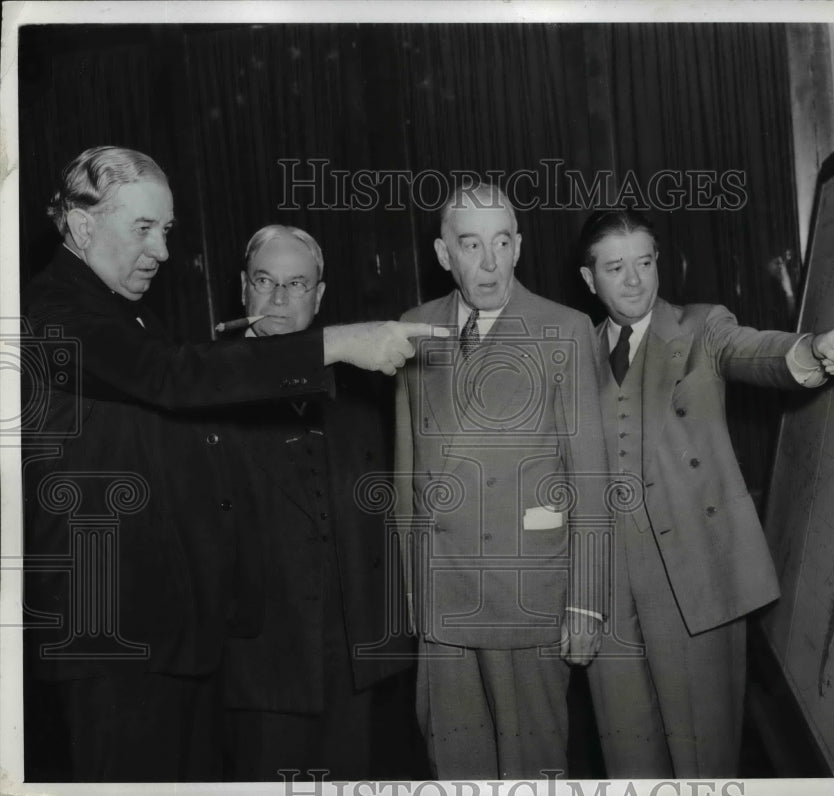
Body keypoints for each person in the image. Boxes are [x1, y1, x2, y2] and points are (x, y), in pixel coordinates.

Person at [20, 146, 442, 781]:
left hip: (164, 633)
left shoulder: (125, 310)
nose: (162, 250)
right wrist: (341, 341)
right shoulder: (58, 310)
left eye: (165, 230)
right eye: (144, 228)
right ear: (83, 227)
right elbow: (171, 376)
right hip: (110, 633)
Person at [577, 209, 834, 778]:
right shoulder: (573, 353)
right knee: (627, 763)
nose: (635, 279)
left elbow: (754, 351)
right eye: (616, 267)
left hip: (696, 579)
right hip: (607, 590)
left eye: (645, 262)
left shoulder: (700, 326)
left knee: (702, 764)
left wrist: (812, 350)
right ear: (590, 279)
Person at [392, 182, 611, 779]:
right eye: (470, 244)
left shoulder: (565, 329)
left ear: (518, 247)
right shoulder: (412, 328)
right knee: (453, 763)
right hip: (443, 597)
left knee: (531, 766)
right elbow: (407, 469)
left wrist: (587, 602)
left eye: (501, 242)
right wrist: (411, 590)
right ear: (445, 255)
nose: (488, 262)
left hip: (529, 591)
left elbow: (589, 476)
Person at [220, 224, 416, 780]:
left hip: (351, 652)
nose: (280, 299)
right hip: (257, 657)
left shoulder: (362, 387)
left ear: (320, 296)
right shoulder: (203, 385)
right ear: (242, 288)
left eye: (297, 283)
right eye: (266, 281)